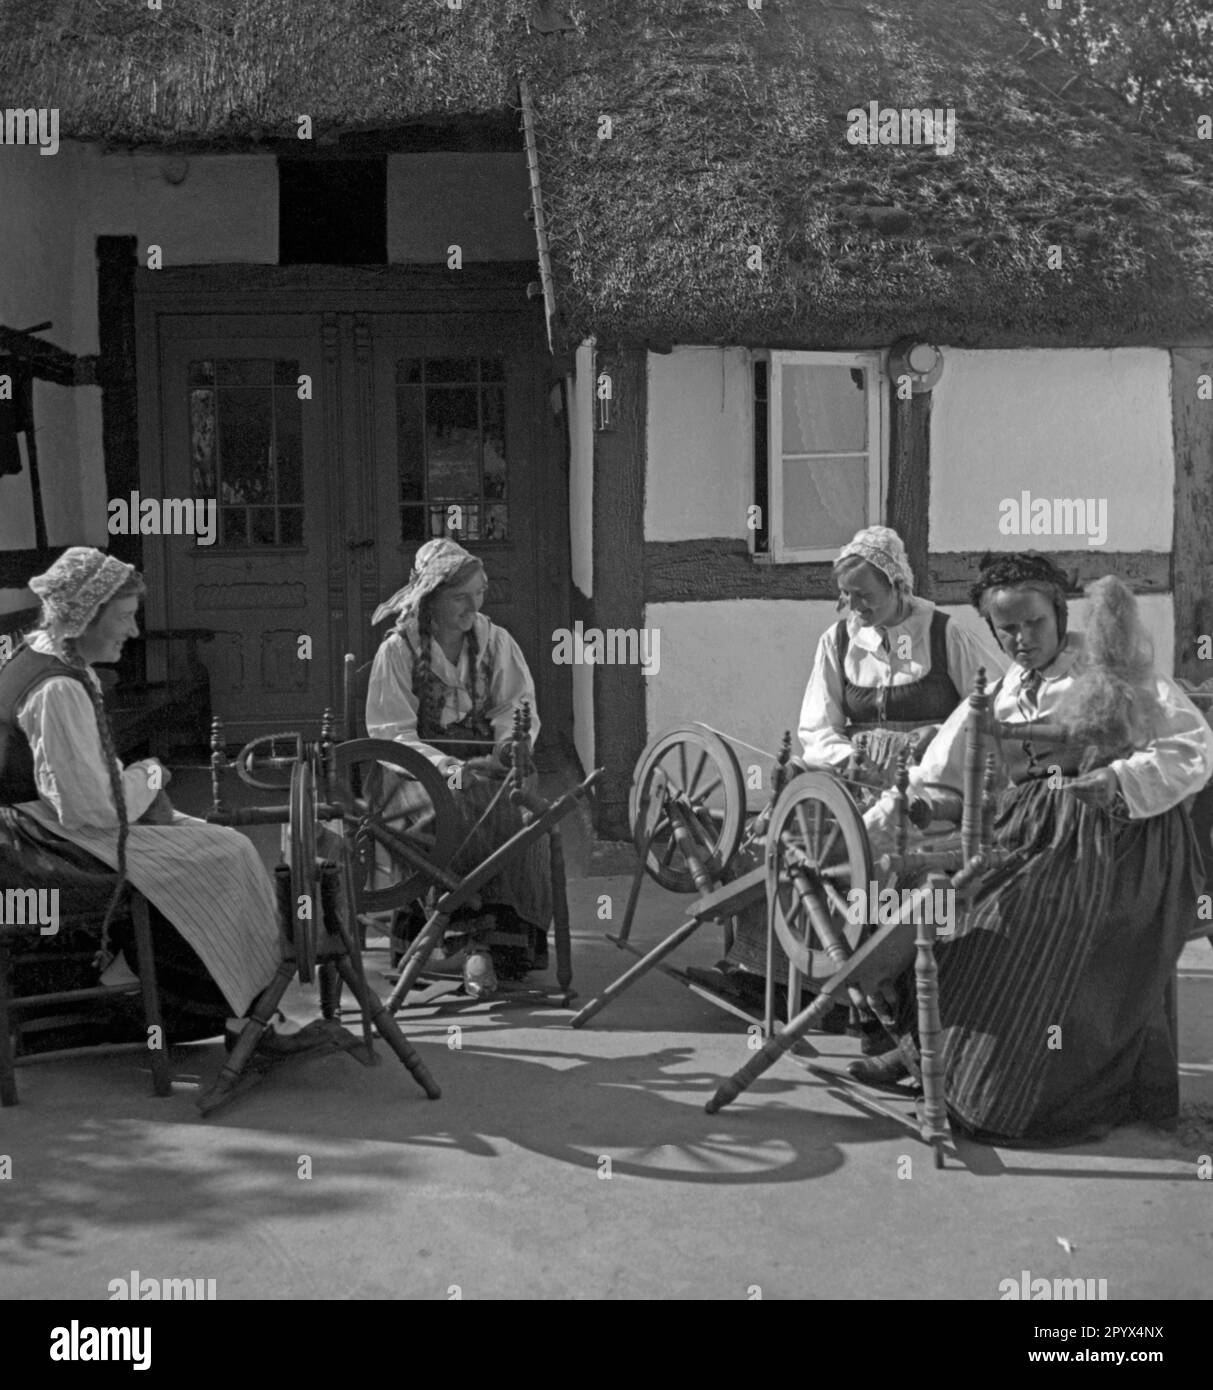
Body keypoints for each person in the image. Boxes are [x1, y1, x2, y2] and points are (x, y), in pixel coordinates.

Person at [854, 553, 1213, 1145]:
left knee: (1014, 916)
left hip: (1124, 842)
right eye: (1007, 629)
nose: (1021, 640)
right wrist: (864, 832)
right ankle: (923, 1051)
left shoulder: (1112, 671)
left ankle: (1009, 1093)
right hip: (1035, 834)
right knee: (945, 901)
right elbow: (935, 778)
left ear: (1059, 614)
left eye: (1033, 624)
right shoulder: (999, 693)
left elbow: (1190, 750)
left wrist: (1117, 781)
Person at [707, 526, 1006, 1036]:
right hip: (851, 778)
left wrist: (941, 742)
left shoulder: (943, 633)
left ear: (897, 586)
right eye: (845, 596)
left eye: (864, 596)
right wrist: (851, 759)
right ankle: (769, 978)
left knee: (883, 855)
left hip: (927, 784)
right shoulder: (839, 640)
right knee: (792, 838)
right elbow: (816, 726)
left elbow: (991, 701)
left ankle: (875, 993)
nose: (853, 607)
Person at [0, 547, 296, 1053]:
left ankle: (239, 1008)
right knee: (227, 854)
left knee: (215, 842)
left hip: (46, 825)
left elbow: (87, 785)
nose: (133, 633)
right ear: (83, 618)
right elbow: (90, 809)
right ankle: (231, 1012)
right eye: (123, 618)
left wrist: (144, 787)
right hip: (37, 846)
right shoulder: (58, 688)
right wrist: (153, 774)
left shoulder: (59, 662)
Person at [366, 538, 551, 998]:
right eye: (461, 597)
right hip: (415, 773)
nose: (474, 606)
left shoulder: (495, 643)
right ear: (431, 599)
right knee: (448, 811)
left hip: (486, 765)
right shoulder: (399, 652)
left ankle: (504, 946)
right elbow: (392, 735)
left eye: (479, 594)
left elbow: (516, 705)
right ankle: (462, 944)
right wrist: (447, 769)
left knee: (517, 807)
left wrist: (509, 747)